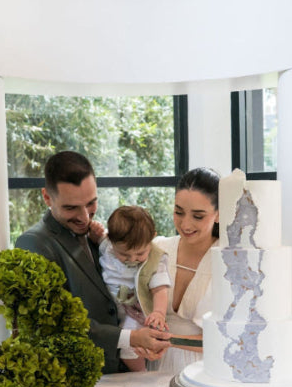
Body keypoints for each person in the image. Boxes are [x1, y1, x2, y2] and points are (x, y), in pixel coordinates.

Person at [15, 151, 171, 374]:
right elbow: (56, 324)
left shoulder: (99, 236)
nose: (84, 217)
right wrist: (132, 337)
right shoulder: (33, 243)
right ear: (47, 197)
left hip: (118, 372)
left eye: (91, 203)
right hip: (78, 377)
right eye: (71, 208)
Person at [149, 167, 220, 374]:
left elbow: (230, 338)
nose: (185, 224)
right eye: (178, 212)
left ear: (218, 214)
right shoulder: (158, 249)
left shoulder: (229, 260)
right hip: (154, 364)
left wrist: (166, 340)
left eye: (198, 216)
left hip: (204, 370)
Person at [88, 206, 171, 373]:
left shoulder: (156, 260)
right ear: (111, 241)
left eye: (140, 253)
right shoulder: (106, 245)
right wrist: (94, 232)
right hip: (108, 308)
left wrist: (159, 313)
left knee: (130, 347)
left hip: (134, 309)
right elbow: (97, 238)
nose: (132, 259)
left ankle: (140, 373)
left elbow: (160, 289)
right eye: (125, 255)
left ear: (152, 238)